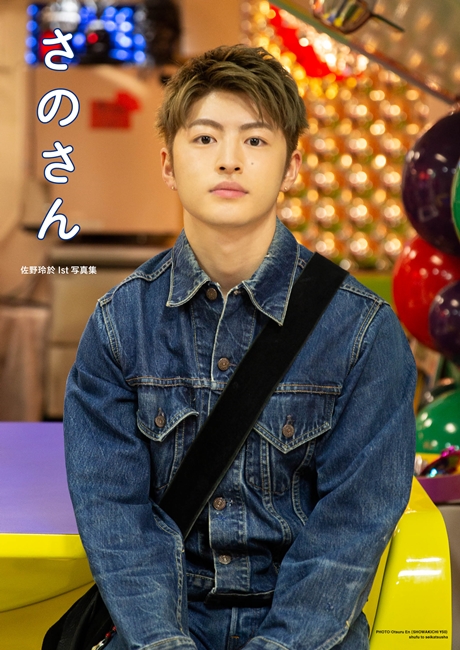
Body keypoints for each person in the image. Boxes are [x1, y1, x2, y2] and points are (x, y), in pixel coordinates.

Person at [64, 44, 417, 650]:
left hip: (307, 633)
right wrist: (164, 643)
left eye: (255, 140)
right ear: (169, 164)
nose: (229, 159)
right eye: (205, 138)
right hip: (160, 626)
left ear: (291, 167)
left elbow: (352, 527)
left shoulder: (363, 331)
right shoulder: (119, 325)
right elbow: (114, 518)